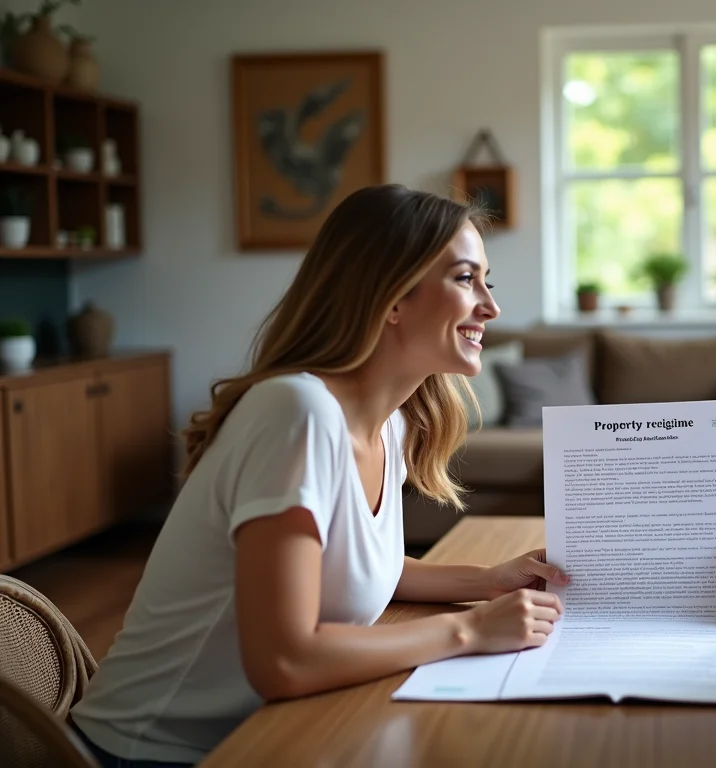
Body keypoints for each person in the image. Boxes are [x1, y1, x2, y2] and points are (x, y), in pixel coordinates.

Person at [69, 185, 568, 766]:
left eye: (487, 281)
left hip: (265, 737)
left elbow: (356, 568)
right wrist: (472, 631)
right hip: (151, 752)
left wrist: (488, 580)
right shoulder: (297, 414)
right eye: (465, 279)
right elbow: (284, 661)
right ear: (390, 298)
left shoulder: (391, 426)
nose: (490, 306)